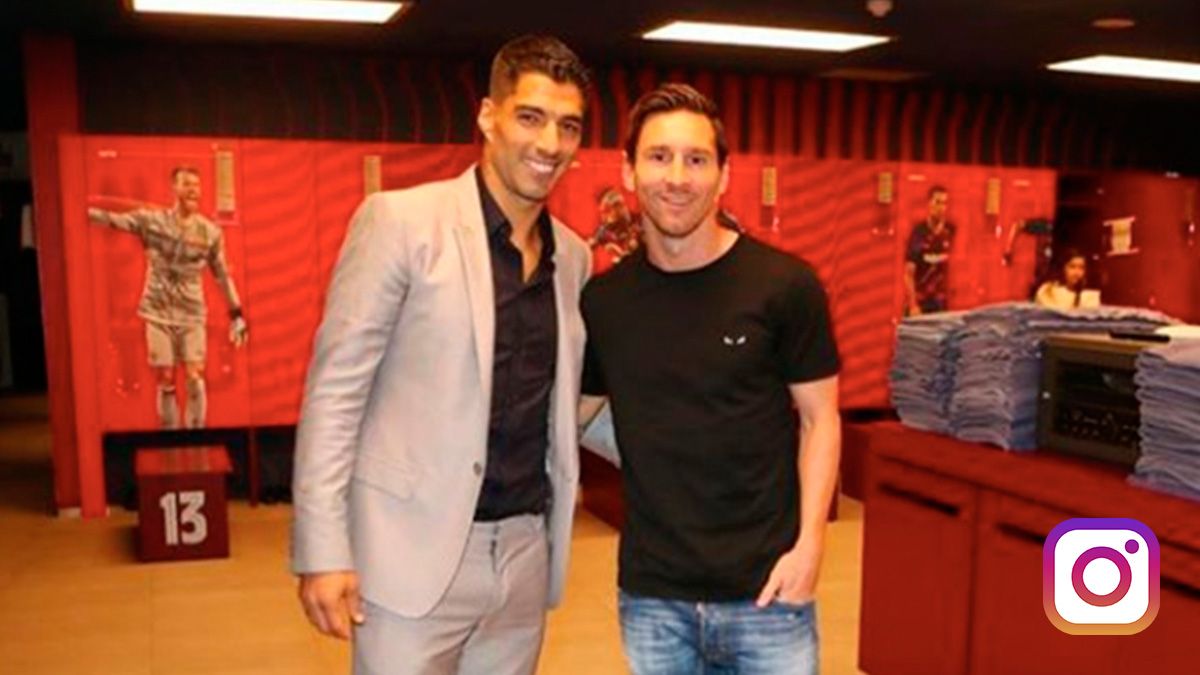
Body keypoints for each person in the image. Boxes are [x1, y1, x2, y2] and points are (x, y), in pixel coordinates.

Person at [291, 35, 592, 675]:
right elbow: (335, 394)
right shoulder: (399, 223)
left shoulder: (575, 257)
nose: (549, 144)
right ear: (488, 115)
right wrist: (322, 547)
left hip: (523, 555)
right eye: (530, 117)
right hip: (409, 553)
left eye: (568, 126)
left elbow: (566, 403)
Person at [579, 84, 841, 675]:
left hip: (768, 592)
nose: (677, 176)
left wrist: (810, 548)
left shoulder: (784, 286)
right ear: (628, 171)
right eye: (658, 156)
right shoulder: (606, 301)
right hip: (653, 597)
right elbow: (573, 413)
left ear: (723, 176)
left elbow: (821, 419)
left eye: (696, 160)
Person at [88, 167, 248, 429]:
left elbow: (222, 275)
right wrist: (77, 209)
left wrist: (237, 313)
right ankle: (169, 438)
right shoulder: (152, 221)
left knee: (195, 375)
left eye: (196, 185)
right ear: (174, 188)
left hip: (191, 313)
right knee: (165, 376)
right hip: (157, 310)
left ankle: (197, 436)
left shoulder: (209, 232)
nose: (193, 190)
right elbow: (112, 219)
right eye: (186, 184)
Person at [903, 185, 955, 315]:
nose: (941, 208)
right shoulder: (918, 233)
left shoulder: (951, 231)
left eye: (944, 203)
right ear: (929, 204)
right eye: (937, 202)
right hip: (921, 303)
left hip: (940, 304)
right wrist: (913, 305)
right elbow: (908, 274)